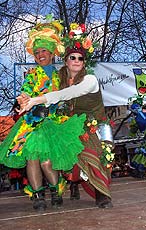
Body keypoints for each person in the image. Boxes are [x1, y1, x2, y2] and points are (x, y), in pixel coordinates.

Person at [18, 22, 114, 208]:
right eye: (72, 57)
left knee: (94, 155)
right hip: (69, 124)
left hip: (95, 125)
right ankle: (64, 188)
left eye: (80, 58)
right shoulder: (59, 76)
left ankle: (102, 194)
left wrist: (36, 101)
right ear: (66, 60)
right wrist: (24, 99)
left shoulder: (89, 80)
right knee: (54, 159)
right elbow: (36, 88)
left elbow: (64, 95)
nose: (77, 61)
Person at [0, 17, 86, 211]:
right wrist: (22, 100)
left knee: (47, 162)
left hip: (52, 123)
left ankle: (56, 190)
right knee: (32, 158)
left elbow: (69, 94)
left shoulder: (61, 75)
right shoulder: (32, 74)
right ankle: (38, 195)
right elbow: (25, 92)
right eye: (37, 52)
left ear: (52, 53)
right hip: (31, 123)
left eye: (44, 51)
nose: (40, 55)